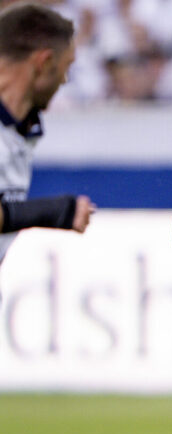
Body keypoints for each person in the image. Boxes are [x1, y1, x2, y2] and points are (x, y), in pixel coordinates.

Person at [0, 2, 93, 290]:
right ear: (43, 62)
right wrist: (53, 211)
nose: (64, 80)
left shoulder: (22, 127)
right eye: (65, 68)